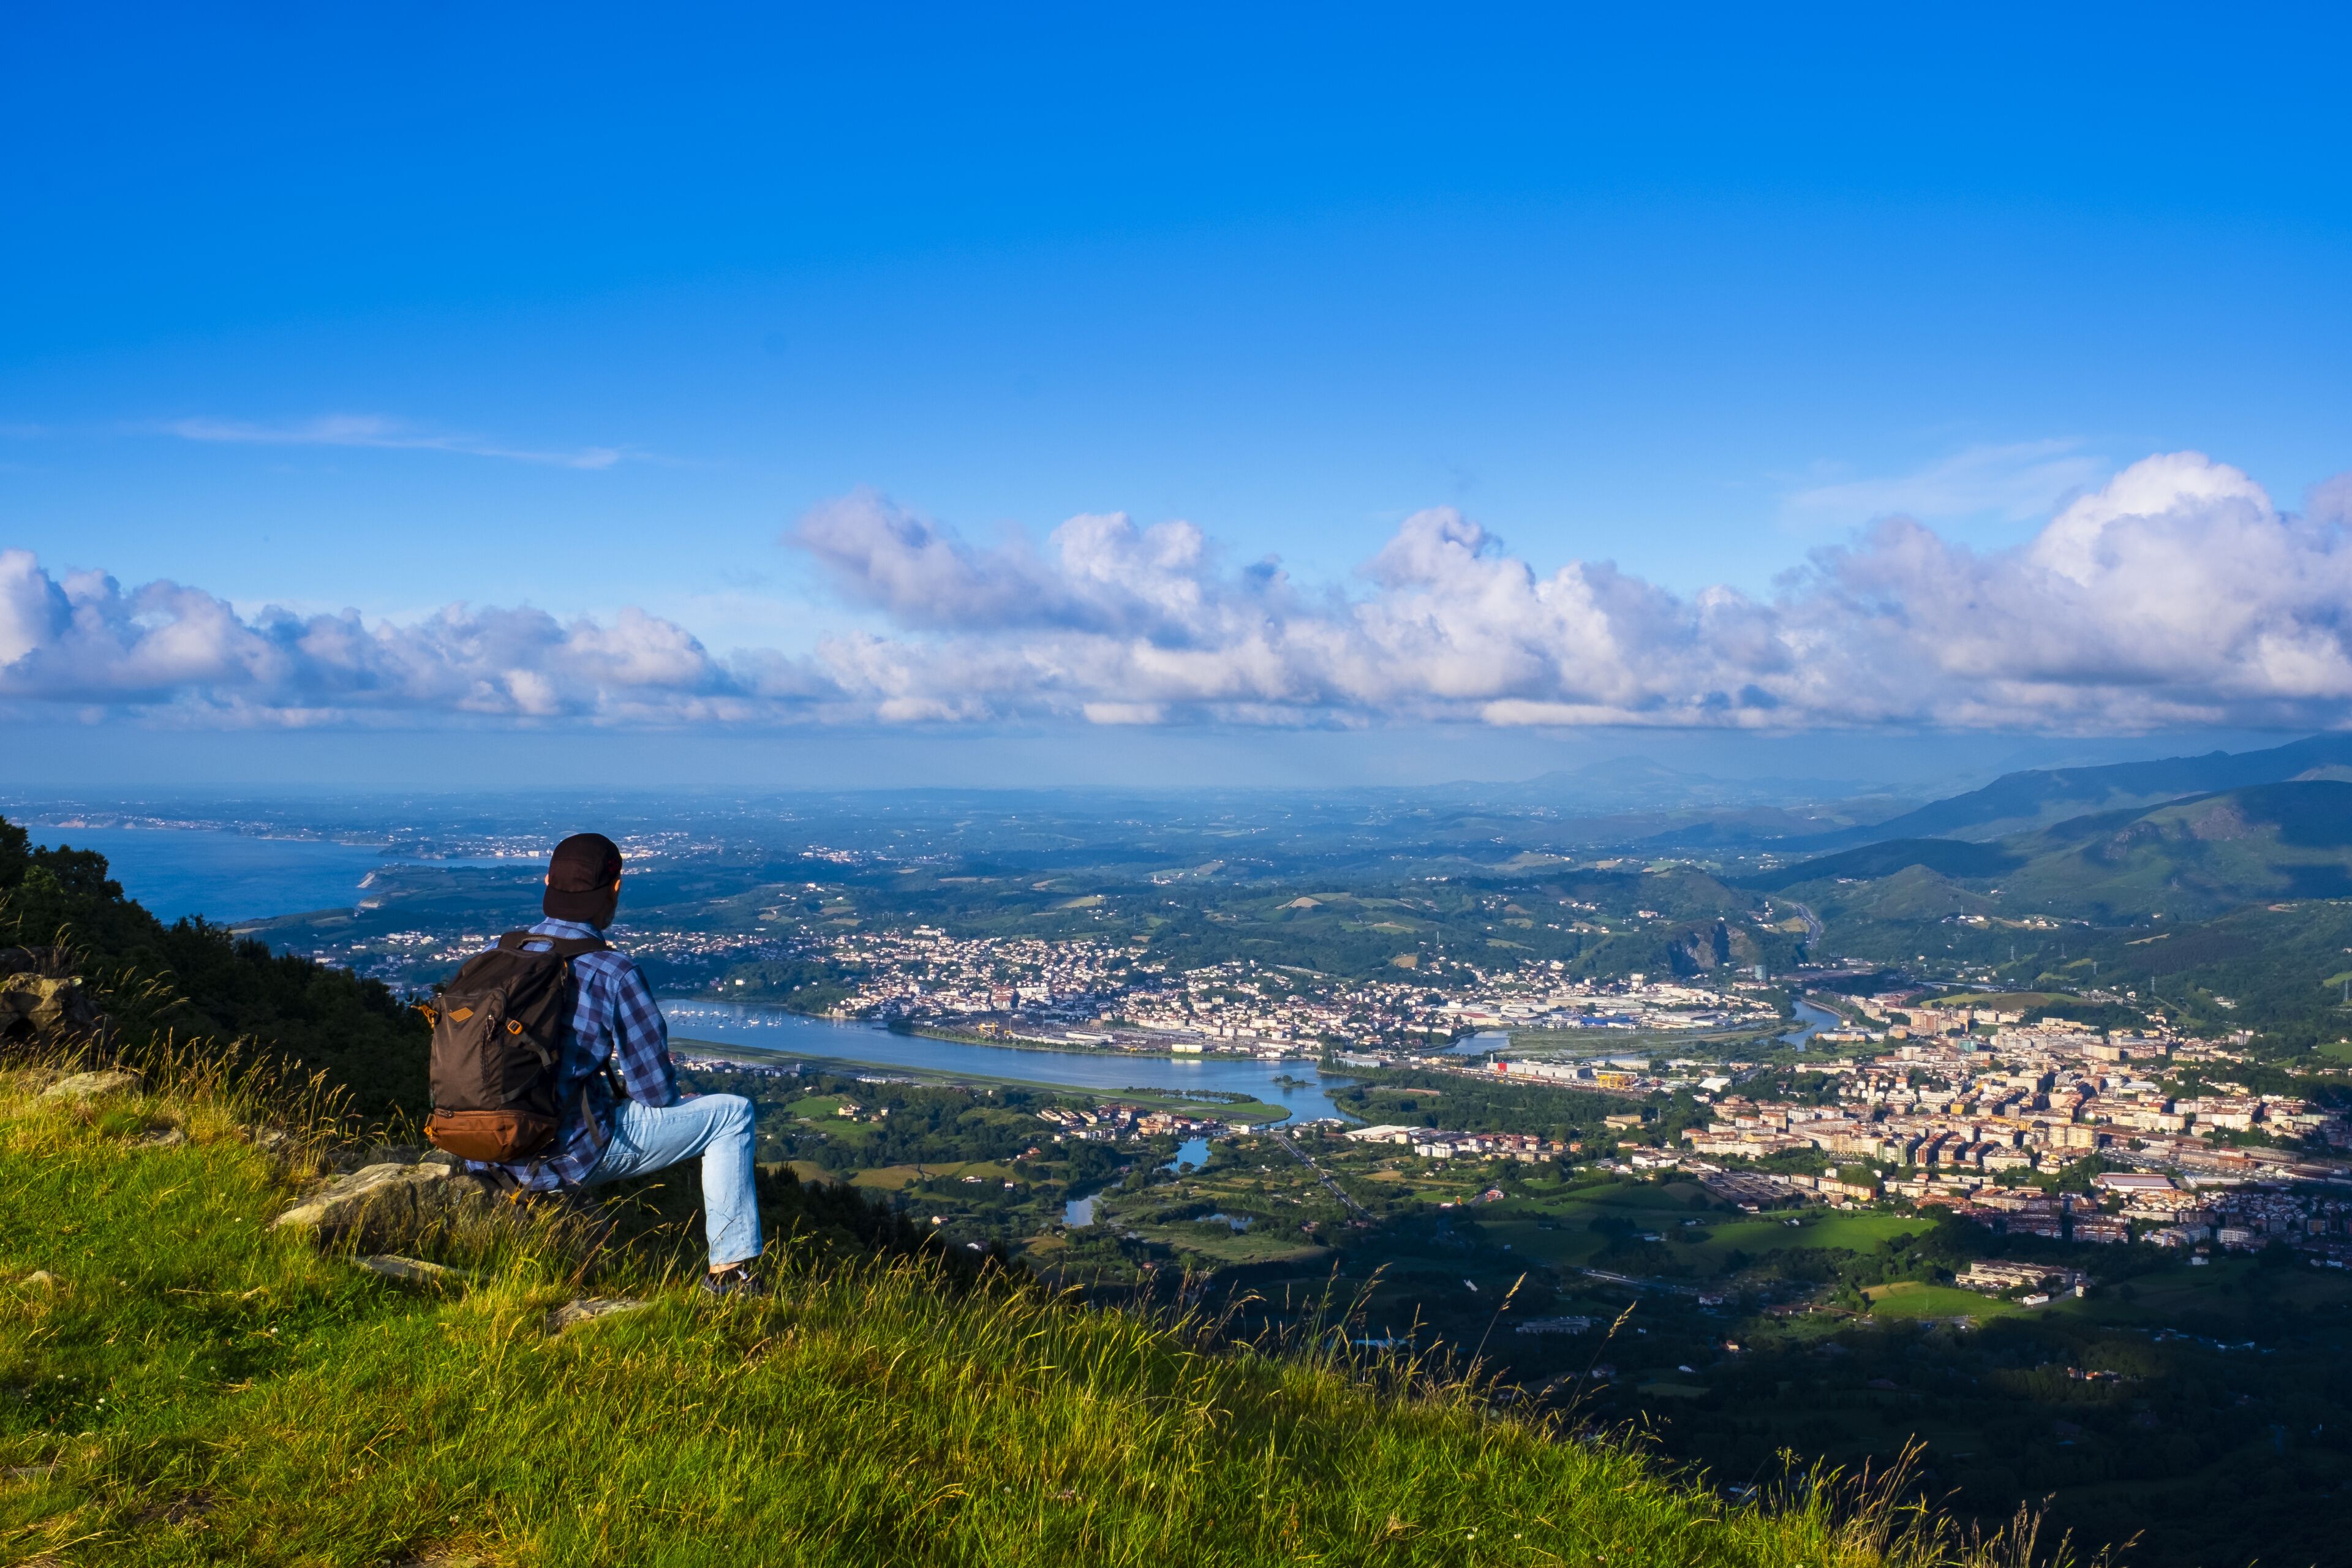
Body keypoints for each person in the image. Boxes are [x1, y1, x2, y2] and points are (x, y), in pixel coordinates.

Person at [470, 831, 763, 1295]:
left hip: (480, 1146)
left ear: (547, 882)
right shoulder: (613, 970)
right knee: (731, 1116)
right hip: (560, 1154)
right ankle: (732, 1278)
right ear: (616, 889)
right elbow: (654, 1094)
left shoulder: (498, 955)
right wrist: (680, 1099)